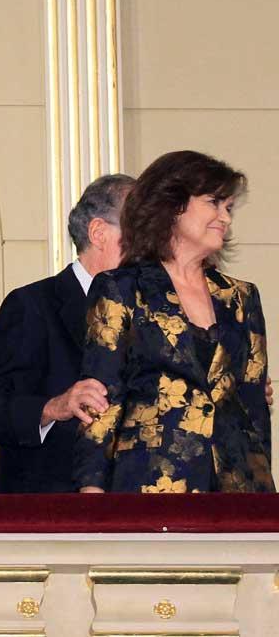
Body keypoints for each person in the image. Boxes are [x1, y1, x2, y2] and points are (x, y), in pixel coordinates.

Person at [76, 150, 273, 493]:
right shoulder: (120, 288)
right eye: (214, 202)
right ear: (173, 205)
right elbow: (101, 400)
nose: (224, 218)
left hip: (238, 488)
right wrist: (91, 492)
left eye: (229, 208)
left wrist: (263, 496)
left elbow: (254, 407)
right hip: (151, 486)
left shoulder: (242, 298)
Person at [0, 175, 133, 492]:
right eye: (141, 231)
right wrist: (54, 407)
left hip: (135, 507)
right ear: (98, 233)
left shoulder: (155, 314)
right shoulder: (31, 306)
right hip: (49, 512)